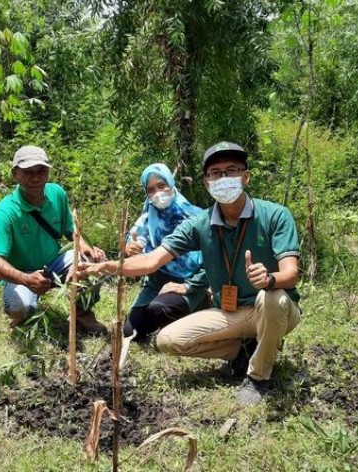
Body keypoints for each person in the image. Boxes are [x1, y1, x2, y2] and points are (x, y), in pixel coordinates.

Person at [78, 142, 301, 405]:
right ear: (207, 183)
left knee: (272, 297)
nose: (224, 178)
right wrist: (105, 267)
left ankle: (258, 377)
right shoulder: (200, 224)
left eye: (231, 170)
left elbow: (291, 273)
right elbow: (151, 261)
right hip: (229, 311)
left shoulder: (275, 215)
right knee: (168, 340)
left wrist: (270, 279)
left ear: (246, 176)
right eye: (215, 173)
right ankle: (254, 348)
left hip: (273, 310)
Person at [0, 145, 108, 334]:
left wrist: (84, 245)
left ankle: (82, 313)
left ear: (48, 172)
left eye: (41, 171)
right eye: (28, 172)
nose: (35, 177)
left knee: (93, 262)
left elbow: (70, 229)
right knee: (18, 307)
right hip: (22, 273)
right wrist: (26, 278)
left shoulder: (57, 193)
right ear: (15, 174)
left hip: (54, 264)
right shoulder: (6, 210)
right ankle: (24, 317)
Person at [122, 163, 208, 342]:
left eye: (162, 186)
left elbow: (211, 259)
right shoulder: (148, 217)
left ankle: (201, 302)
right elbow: (134, 239)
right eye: (151, 189)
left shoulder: (196, 217)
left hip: (189, 281)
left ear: (171, 183)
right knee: (130, 330)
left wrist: (191, 286)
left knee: (159, 309)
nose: (157, 193)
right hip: (157, 279)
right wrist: (130, 247)